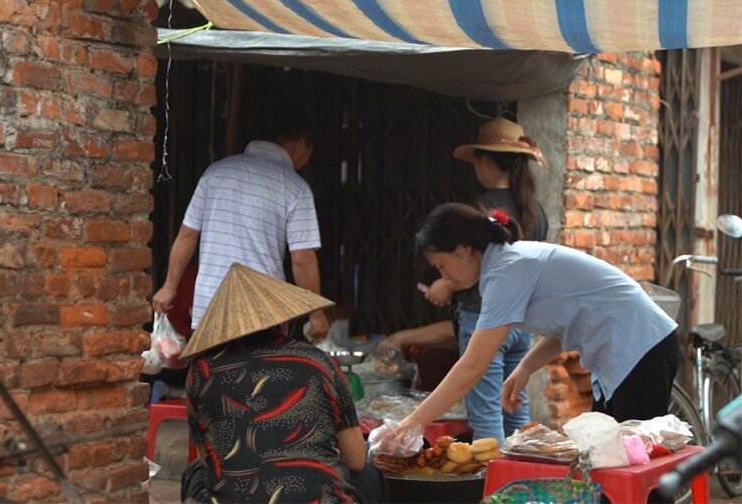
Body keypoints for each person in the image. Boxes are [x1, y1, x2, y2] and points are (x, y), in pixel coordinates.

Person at [388, 202, 679, 446]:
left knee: (636, 462)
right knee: (609, 460)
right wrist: (526, 367)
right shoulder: (505, 264)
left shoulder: (505, 271)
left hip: (641, 348)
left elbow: (473, 365)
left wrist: (415, 420)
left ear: (464, 249)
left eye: (441, 265)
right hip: (629, 353)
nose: (444, 276)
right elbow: (565, 327)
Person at [386, 118, 548, 444]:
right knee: (514, 404)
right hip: (522, 323)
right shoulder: (535, 209)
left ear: (485, 160)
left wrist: (444, 283)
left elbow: (477, 268)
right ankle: (523, 478)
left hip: (485, 319)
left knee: (486, 410)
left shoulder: (484, 211)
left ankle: (491, 489)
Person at [180, 263, 386, 503]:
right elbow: (355, 459)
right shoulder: (318, 361)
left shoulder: (200, 371)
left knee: (194, 472)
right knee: (370, 475)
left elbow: (208, 458)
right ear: (282, 321)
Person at [152, 107, 330, 340]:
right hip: (261, 314)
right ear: (299, 144)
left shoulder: (215, 173)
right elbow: (302, 259)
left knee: (214, 375)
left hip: (209, 309)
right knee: (257, 377)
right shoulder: (295, 188)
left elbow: (187, 236)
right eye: (309, 152)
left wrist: (169, 287)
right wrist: (316, 313)